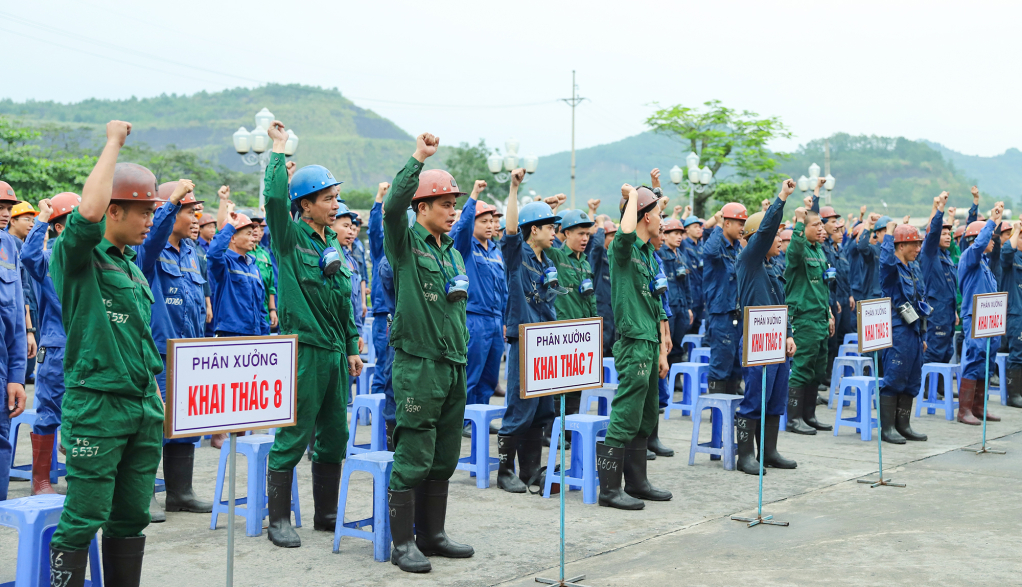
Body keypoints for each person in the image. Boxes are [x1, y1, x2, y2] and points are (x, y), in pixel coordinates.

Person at [48, 121, 165, 586]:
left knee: (131, 514)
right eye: (142, 212)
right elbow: (88, 211)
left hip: (141, 405)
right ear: (114, 210)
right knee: (86, 514)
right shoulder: (79, 257)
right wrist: (113, 142)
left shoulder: (130, 267)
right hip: (97, 404)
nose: (149, 221)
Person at [263, 120, 363, 548]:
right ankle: (278, 519)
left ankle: (325, 514)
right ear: (304, 205)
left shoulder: (333, 244)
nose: (335, 204)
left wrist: (354, 346)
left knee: (335, 434)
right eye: (328, 199)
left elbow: (343, 298)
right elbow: (271, 200)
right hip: (303, 350)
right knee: (294, 433)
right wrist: (279, 153)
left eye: (335, 197)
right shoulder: (288, 239)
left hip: (336, 353)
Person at [383, 132, 474, 573]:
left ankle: (432, 535)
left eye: (454, 204)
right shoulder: (405, 243)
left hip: (453, 364)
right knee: (414, 452)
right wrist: (418, 159)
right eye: (445, 204)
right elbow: (390, 208)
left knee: (445, 455)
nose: (452, 211)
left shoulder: (452, 254)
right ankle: (403, 543)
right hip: (418, 364)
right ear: (422, 209)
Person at [135, 179, 213, 521]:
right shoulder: (149, 250)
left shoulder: (193, 253)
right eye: (188, 210)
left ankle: (180, 492)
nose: (196, 216)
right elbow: (154, 236)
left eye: (197, 210)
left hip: (190, 352)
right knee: (156, 423)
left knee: (186, 424)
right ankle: (144, 495)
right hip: (162, 352)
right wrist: (171, 201)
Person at [596, 183, 672, 511]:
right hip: (632, 341)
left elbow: (655, 302)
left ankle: (638, 483)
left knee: (645, 416)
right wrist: (629, 198)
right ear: (643, 216)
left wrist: (663, 347)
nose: (663, 221)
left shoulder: (648, 254)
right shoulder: (623, 250)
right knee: (626, 413)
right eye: (658, 214)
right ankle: (610, 489)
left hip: (650, 341)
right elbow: (625, 232)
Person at [497, 172, 560, 494]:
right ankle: (504, 470)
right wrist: (514, 188)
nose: (554, 232)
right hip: (524, 341)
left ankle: (530, 470)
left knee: (542, 408)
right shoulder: (517, 254)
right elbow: (510, 229)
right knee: (521, 406)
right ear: (533, 229)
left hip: (546, 342)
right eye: (550, 227)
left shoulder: (547, 259)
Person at [734, 179, 798, 474]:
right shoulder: (749, 261)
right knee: (755, 397)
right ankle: (745, 455)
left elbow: (780, 308)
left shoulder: (773, 268)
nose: (780, 241)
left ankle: (769, 452)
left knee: (775, 398)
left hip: (776, 341)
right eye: (776, 237)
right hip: (757, 341)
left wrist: (788, 335)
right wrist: (782, 198)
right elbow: (767, 230)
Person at [21, 193, 79, 494]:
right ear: (60, 227)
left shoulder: (92, 255)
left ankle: (80, 478)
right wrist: (42, 217)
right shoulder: (49, 256)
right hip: (56, 347)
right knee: (48, 411)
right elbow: (28, 257)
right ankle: (40, 479)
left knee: (85, 410)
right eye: (77, 220)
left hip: (87, 346)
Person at [449, 179, 507, 426]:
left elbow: (502, 290)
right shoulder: (464, 247)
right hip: (474, 318)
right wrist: (473, 196)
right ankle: (463, 421)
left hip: (495, 321)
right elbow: (460, 228)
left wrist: (503, 321)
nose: (489, 225)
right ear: (472, 222)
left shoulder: (495, 250)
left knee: (490, 377)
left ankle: (480, 420)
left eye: (491, 221)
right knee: (470, 375)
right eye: (482, 221)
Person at [784, 199, 836, 434]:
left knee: (818, 367)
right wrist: (797, 222)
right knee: (803, 366)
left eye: (821, 226)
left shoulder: (819, 251)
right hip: (803, 319)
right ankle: (794, 418)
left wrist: (829, 314)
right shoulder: (800, 249)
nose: (821, 229)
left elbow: (823, 287)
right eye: (815, 225)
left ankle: (809, 415)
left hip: (820, 318)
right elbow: (794, 250)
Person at [878, 218, 929, 443]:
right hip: (897, 330)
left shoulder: (914, 267)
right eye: (913, 244)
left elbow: (921, 302)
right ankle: (887, 429)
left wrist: (923, 335)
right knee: (894, 377)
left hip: (914, 330)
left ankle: (903, 425)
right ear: (900, 246)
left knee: (911, 379)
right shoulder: (892, 268)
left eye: (919, 244)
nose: (918, 249)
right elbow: (886, 263)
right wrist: (889, 233)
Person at [546, 205, 599, 419]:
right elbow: (537, 245)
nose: (585, 238)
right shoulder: (557, 257)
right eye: (580, 233)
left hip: (583, 332)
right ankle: (553, 430)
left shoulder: (585, 262)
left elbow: (591, 298)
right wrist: (550, 212)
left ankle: (569, 429)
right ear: (566, 233)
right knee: (559, 384)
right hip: (563, 331)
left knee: (578, 383)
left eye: (587, 234)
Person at [957, 203, 1004, 425]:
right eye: (990, 237)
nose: (993, 241)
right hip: (974, 317)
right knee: (974, 357)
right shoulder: (970, 256)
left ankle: (978, 407)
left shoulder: (984, 264)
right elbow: (979, 245)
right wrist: (992, 221)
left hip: (990, 320)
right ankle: (964, 410)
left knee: (987, 360)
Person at [0, 180, 28, 504]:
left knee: (1, 440)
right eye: (0, 208)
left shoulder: (10, 246)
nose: (5, 214)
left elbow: (17, 320)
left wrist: (17, 377)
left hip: (3, 364)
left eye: (8, 208)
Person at [703, 202, 747, 395]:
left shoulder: (737, 248)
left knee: (736, 362)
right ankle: (717, 413)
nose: (742, 228)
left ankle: (730, 409)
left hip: (737, 313)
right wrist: (718, 225)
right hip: (721, 314)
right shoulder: (717, 245)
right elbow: (710, 252)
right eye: (739, 223)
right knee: (721, 362)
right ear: (727, 223)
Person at [368, 182, 399, 446]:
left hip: (395, 317)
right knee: (384, 370)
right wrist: (379, 200)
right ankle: (381, 426)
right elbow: (375, 229)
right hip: (383, 315)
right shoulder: (382, 250)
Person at [208, 196, 266, 338]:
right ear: (232, 238)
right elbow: (213, 254)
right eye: (248, 234)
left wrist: (265, 335)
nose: (253, 238)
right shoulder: (225, 263)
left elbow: (260, 307)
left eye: (253, 234)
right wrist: (229, 227)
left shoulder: (253, 266)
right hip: (231, 335)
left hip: (255, 335)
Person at [921, 194, 958, 383]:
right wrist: (940, 208)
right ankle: (926, 389)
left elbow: (949, 288)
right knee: (933, 352)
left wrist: (954, 312)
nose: (948, 236)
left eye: (949, 233)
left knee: (946, 352)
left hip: (947, 314)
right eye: (943, 233)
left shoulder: (947, 257)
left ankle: (941, 389)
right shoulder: (930, 254)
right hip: (935, 314)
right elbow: (932, 232)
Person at [7, 201, 39, 384]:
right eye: (27, 219)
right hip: (18, 312)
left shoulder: (23, 246)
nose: (31, 224)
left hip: (30, 310)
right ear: (13, 220)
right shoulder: (10, 244)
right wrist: (28, 328)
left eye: (33, 221)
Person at [245, 208, 277, 334]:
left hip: (263, 312)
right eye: (253, 226)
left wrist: (272, 309)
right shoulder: (239, 252)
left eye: (259, 227)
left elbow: (270, 286)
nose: (257, 230)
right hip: (245, 312)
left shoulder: (264, 254)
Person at [1002, 220, 1022, 408]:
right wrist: (1016, 230)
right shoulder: (1011, 258)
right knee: (1017, 353)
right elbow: (1007, 251)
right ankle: (1014, 394)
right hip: (1016, 313)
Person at [591, 219, 618, 357]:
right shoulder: (598, 257)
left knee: (614, 348)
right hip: (601, 309)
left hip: (614, 310)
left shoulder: (615, 257)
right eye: (611, 236)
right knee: (600, 348)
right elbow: (597, 246)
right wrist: (600, 226)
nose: (614, 239)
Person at [680, 213, 705, 334]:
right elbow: (675, 229)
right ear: (686, 229)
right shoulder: (683, 244)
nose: (698, 229)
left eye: (699, 227)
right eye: (695, 226)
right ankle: (684, 351)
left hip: (701, 289)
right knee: (687, 324)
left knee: (698, 323)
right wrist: (684, 215)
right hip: (691, 289)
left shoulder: (701, 246)